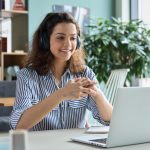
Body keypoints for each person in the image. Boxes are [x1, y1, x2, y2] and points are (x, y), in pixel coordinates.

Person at [10, 12, 113, 131]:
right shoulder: (27, 76)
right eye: (60, 37)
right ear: (45, 40)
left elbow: (110, 120)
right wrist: (62, 94)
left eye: (73, 38)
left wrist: (98, 94)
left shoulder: (85, 73)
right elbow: (19, 125)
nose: (68, 44)